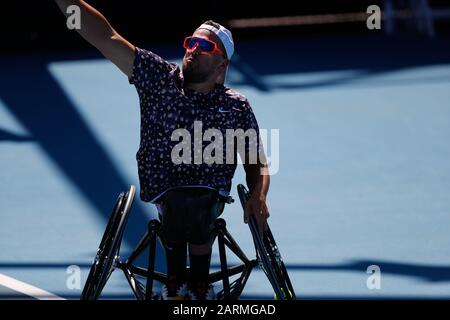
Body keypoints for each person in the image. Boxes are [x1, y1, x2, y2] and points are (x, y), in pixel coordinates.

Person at [55, 0, 270, 300]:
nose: (193, 49)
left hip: (210, 197)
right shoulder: (159, 79)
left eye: (204, 46)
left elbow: (256, 161)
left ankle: (194, 282)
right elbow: (107, 38)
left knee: (197, 203)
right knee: (183, 202)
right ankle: (178, 281)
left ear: (222, 66)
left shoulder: (236, 106)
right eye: (191, 42)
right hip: (163, 189)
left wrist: (258, 195)